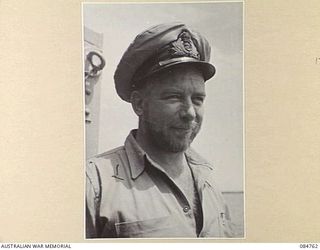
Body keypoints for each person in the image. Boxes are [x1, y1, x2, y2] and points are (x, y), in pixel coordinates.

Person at [86, 22, 234, 238]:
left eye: (198, 99)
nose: (190, 112)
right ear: (139, 104)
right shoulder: (94, 185)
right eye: (174, 97)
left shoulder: (208, 180)